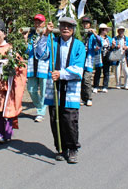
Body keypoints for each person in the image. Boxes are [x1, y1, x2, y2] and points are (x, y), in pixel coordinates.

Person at [36, 17, 86, 163]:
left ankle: (72, 148)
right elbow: (40, 53)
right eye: (63, 25)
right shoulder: (53, 41)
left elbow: (78, 68)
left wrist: (62, 74)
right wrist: (45, 34)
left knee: (70, 119)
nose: (65, 28)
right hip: (54, 87)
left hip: (70, 88)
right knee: (55, 119)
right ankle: (60, 147)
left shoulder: (79, 45)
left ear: (73, 29)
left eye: (69, 26)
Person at [25, 14, 48, 122]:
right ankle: (40, 107)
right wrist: (25, 40)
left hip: (44, 66)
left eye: (39, 22)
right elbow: (27, 51)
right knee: (31, 89)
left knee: (43, 91)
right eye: (35, 22)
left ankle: (40, 112)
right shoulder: (32, 36)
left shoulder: (49, 35)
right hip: (32, 66)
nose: (37, 24)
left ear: (44, 23)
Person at [92, 23, 113, 93]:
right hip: (99, 55)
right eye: (106, 29)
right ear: (102, 30)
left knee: (106, 71)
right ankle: (95, 86)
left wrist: (113, 45)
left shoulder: (109, 38)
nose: (107, 31)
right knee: (98, 71)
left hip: (107, 56)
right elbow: (94, 45)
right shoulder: (96, 37)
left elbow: (112, 47)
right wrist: (95, 48)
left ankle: (105, 86)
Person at [80, 17, 96, 106]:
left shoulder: (92, 35)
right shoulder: (81, 34)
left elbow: (99, 42)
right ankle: (83, 98)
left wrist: (95, 33)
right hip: (81, 60)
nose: (85, 25)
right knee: (81, 79)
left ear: (90, 24)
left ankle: (89, 98)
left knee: (87, 79)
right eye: (84, 23)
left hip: (89, 60)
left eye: (87, 23)